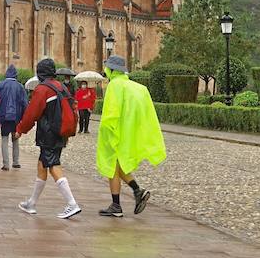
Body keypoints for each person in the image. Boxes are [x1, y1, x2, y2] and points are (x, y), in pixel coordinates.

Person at [95, 56, 165, 217]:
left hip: (116, 134)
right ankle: (137, 191)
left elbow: (111, 113)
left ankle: (116, 205)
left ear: (111, 70)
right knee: (119, 167)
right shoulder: (137, 88)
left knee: (112, 167)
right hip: (130, 135)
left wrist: (107, 134)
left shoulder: (114, 86)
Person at [15, 58, 81, 219]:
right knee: (42, 165)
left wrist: (20, 129)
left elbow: (32, 113)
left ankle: (72, 203)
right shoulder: (61, 86)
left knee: (53, 165)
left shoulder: (43, 89)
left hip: (49, 134)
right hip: (60, 132)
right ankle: (31, 203)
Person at [0, 64, 27, 170]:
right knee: (15, 139)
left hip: (4, 116)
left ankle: (6, 164)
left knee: (4, 139)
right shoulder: (20, 86)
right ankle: (16, 161)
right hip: (16, 117)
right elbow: (24, 103)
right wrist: (23, 117)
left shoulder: (0, 85)